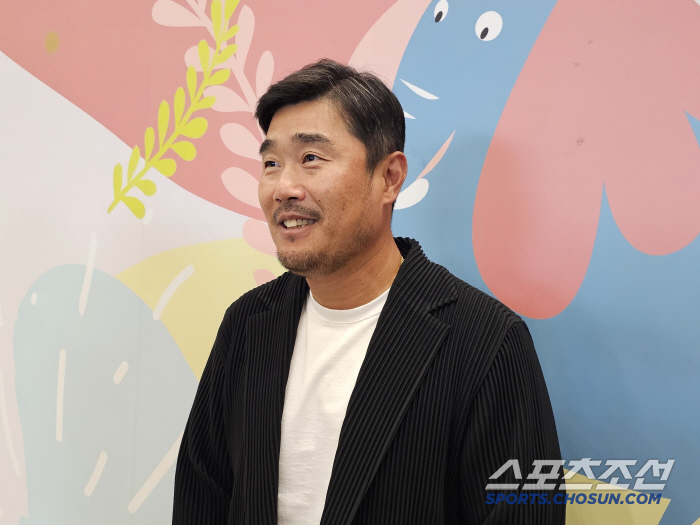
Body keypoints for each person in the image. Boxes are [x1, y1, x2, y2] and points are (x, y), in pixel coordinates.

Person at [172, 59, 564, 524]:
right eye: (271, 164)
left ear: (389, 178)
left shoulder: (485, 340)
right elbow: (202, 497)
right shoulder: (247, 324)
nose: (284, 188)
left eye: (311, 158)